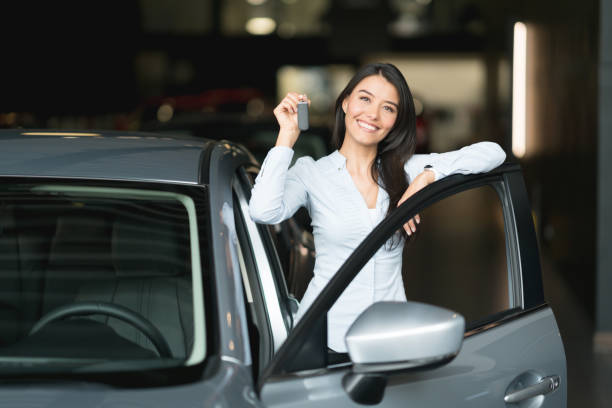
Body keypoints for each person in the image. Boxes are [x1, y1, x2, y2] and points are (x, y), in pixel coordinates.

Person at [249, 62, 506, 353]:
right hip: (322, 340)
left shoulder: (406, 170)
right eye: (365, 99)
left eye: (388, 108)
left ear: (396, 120)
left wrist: (426, 177)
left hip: (391, 340)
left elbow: (493, 153)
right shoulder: (311, 173)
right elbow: (263, 211)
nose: (373, 114)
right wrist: (287, 136)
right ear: (345, 102)